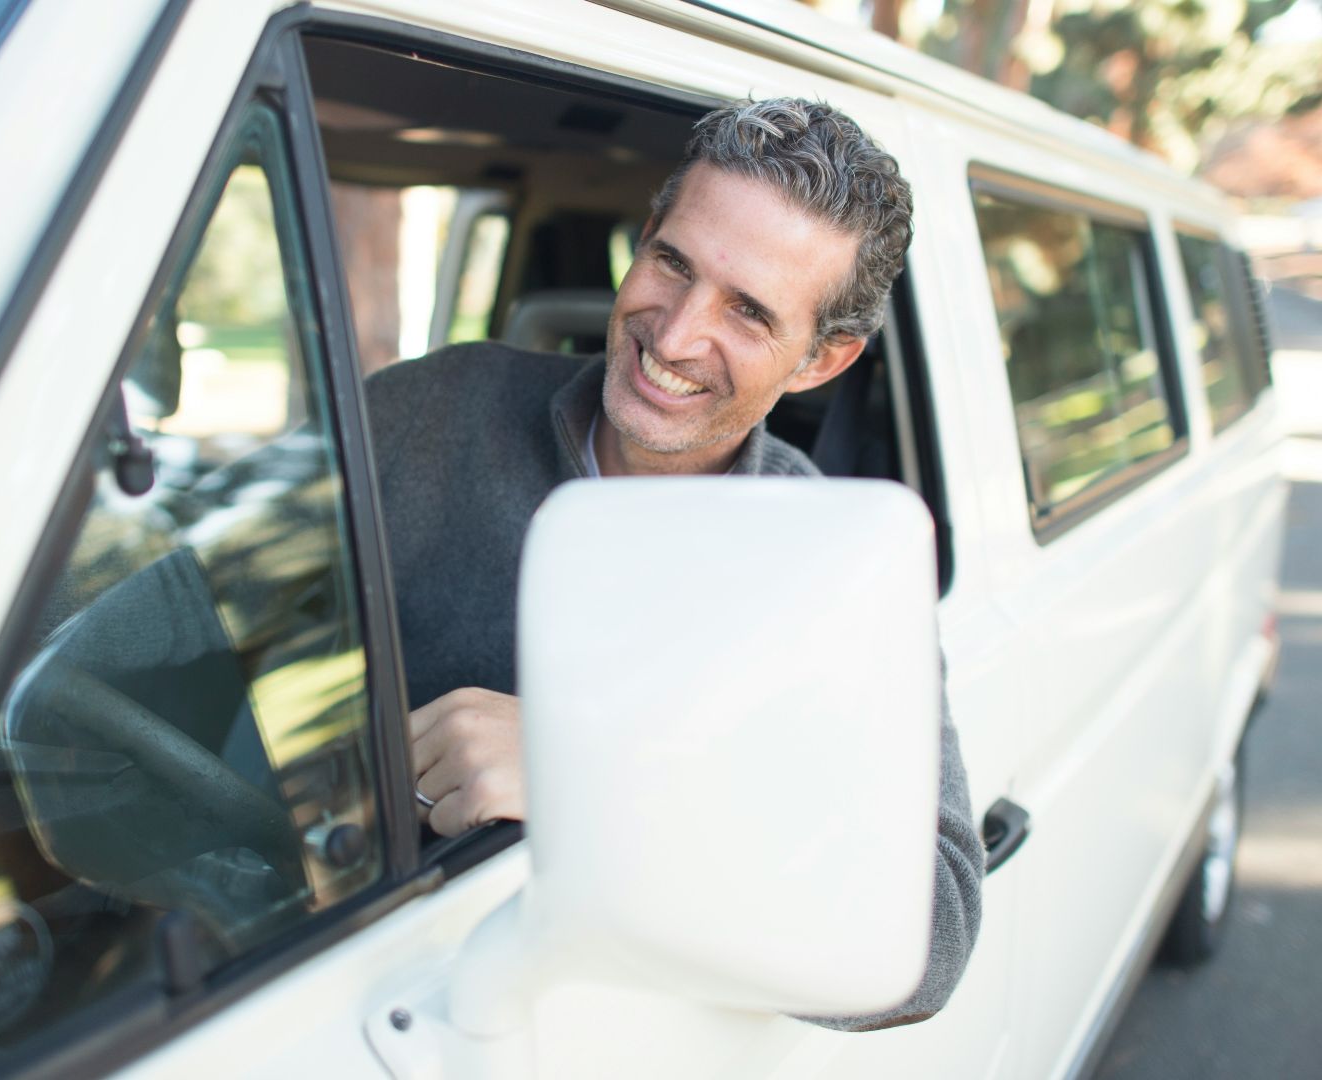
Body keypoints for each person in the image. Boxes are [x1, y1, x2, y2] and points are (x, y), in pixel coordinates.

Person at [364, 98, 981, 1030]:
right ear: (646, 235)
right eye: (673, 263)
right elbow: (180, 627)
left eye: (748, 311)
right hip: (328, 983)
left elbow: (932, 936)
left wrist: (595, 781)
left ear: (822, 361)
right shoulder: (432, 409)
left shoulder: (836, 569)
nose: (677, 335)